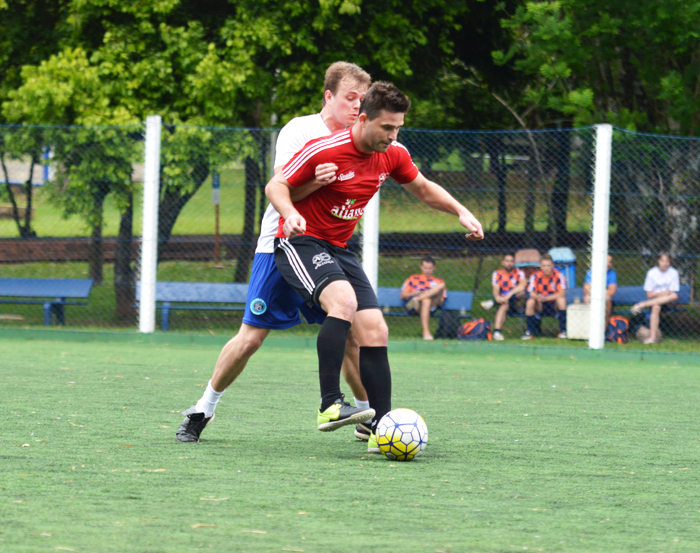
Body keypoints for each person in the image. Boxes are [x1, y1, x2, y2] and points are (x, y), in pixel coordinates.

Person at [265, 81, 484, 452]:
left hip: (339, 247)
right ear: (363, 119)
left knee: (375, 329)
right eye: (387, 127)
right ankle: (329, 405)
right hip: (299, 242)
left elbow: (425, 188)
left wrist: (461, 211)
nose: (393, 135)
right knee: (344, 304)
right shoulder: (325, 149)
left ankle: (379, 428)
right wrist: (290, 213)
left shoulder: (393, 154)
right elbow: (277, 185)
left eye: (398, 128)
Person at [176, 62, 372, 443]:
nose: (357, 106)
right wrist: (315, 183)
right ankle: (204, 409)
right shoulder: (300, 130)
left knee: (350, 333)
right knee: (250, 338)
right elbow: (281, 190)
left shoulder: (358, 136)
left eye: (362, 100)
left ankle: (368, 417)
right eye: (350, 98)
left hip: (327, 249)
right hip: (282, 244)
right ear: (328, 96)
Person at [631, 252, 679, 344]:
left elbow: (672, 293)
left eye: (667, 261)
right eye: (663, 261)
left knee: (674, 296)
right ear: (658, 261)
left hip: (669, 303)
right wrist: (665, 293)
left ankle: (642, 304)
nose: (665, 263)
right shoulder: (652, 273)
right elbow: (649, 294)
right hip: (655, 302)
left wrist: (657, 293)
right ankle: (652, 338)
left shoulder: (674, 272)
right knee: (656, 307)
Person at [399, 255, 446, 340]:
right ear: (421, 267)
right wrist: (415, 293)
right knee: (426, 300)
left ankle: (418, 298)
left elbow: (441, 301)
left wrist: (430, 294)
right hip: (416, 306)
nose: (427, 271)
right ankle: (426, 333)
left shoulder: (438, 281)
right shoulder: (413, 278)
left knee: (440, 286)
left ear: (434, 267)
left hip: (432, 305)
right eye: (425, 268)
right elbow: (403, 295)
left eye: (430, 268)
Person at [521, 253, 567, 340]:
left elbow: (561, 293)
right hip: (540, 304)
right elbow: (531, 293)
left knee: (562, 300)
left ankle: (563, 331)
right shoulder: (535, 276)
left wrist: (546, 298)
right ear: (540, 266)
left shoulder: (558, 275)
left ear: (553, 266)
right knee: (530, 302)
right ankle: (529, 332)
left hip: (554, 304)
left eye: (548, 265)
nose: (546, 268)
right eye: (544, 265)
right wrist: (538, 297)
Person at [490, 254, 527, 341]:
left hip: (517, 303)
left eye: (511, 261)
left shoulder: (519, 272)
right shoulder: (497, 273)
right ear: (503, 262)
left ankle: (493, 303)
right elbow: (496, 289)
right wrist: (497, 297)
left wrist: (509, 295)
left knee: (521, 292)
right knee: (504, 304)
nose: (509, 263)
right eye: (507, 261)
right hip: (504, 302)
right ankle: (497, 332)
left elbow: (522, 285)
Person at [583, 254, 617, 321]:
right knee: (587, 298)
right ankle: (588, 322)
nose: (608, 263)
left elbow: (612, 291)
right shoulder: (591, 272)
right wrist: (603, 291)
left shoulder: (612, 274)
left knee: (607, 298)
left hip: (604, 296)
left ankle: (604, 326)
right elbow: (587, 289)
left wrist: (596, 291)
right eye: (606, 261)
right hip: (593, 295)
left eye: (610, 262)